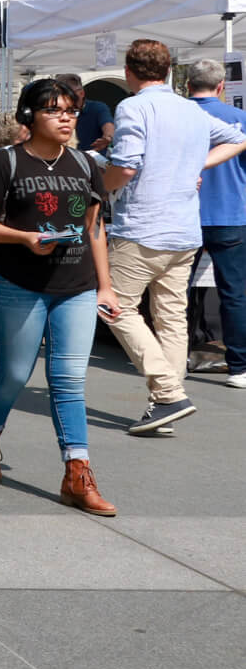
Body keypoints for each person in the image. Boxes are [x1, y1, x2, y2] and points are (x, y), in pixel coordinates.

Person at [0, 78, 121, 515]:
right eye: (54, 110)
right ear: (30, 116)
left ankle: (77, 474)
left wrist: (105, 285)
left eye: (71, 109)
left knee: (69, 382)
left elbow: (94, 227)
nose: (66, 117)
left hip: (76, 287)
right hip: (19, 285)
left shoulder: (85, 164)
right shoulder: (6, 162)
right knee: (15, 375)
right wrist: (23, 237)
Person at [98, 39, 246, 433]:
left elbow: (126, 166)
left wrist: (101, 185)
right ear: (168, 72)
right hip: (183, 228)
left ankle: (167, 393)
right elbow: (237, 136)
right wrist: (198, 163)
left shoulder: (133, 106)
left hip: (144, 227)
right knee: (170, 317)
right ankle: (165, 403)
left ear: (129, 72)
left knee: (115, 307)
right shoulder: (190, 110)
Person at [185, 59, 246, 387]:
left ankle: (174, 359)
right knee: (234, 293)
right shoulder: (240, 120)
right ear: (221, 86)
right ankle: (239, 367)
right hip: (230, 215)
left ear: (188, 84)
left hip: (184, 214)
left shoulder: (179, 116)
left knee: (175, 292)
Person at [58, 74, 116, 152]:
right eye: (62, 96)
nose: (67, 100)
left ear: (81, 93)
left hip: (92, 159)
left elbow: (108, 124)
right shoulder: (57, 112)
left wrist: (108, 137)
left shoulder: (97, 107)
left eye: (71, 95)